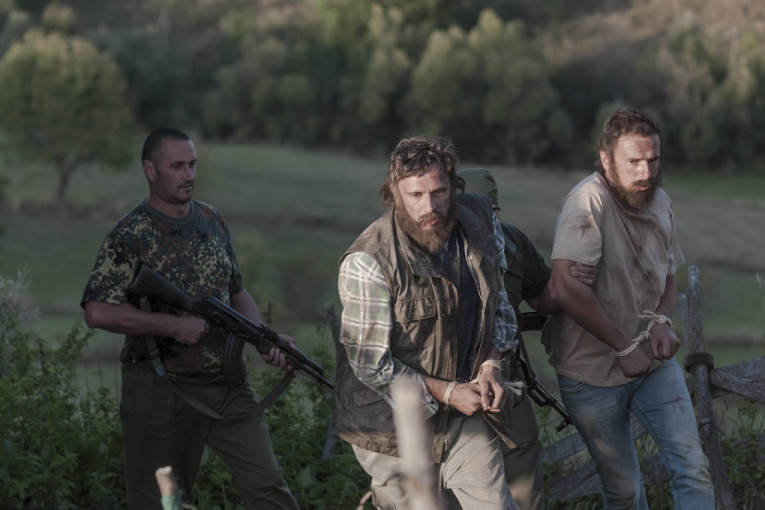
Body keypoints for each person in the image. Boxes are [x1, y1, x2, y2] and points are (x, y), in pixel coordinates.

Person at [81, 128, 299, 510]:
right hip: (159, 389)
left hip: (227, 384)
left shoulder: (212, 219)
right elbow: (97, 310)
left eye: (192, 165)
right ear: (150, 170)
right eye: (177, 166)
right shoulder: (131, 233)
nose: (189, 175)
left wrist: (264, 338)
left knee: (269, 491)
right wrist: (172, 326)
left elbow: (236, 291)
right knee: (159, 502)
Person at [334, 135, 520, 510]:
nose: (429, 206)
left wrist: (490, 364)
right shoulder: (369, 261)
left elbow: (499, 302)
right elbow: (372, 365)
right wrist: (448, 392)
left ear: (454, 185)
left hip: (465, 411)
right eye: (415, 195)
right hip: (390, 424)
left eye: (439, 192)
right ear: (394, 193)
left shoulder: (481, 223)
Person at [543, 107, 715, 509]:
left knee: (694, 469)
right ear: (606, 160)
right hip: (589, 372)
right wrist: (622, 345)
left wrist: (662, 321)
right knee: (624, 492)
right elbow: (564, 287)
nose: (646, 172)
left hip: (652, 363)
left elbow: (668, 275)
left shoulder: (660, 201)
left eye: (653, 160)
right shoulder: (587, 201)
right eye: (634, 161)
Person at [459, 167, 595, 510]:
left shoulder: (513, 243)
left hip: (506, 382)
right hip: (451, 386)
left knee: (522, 476)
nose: (480, 220)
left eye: (487, 211)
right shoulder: (437, 249)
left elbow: (542, 296)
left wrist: (570, 279)